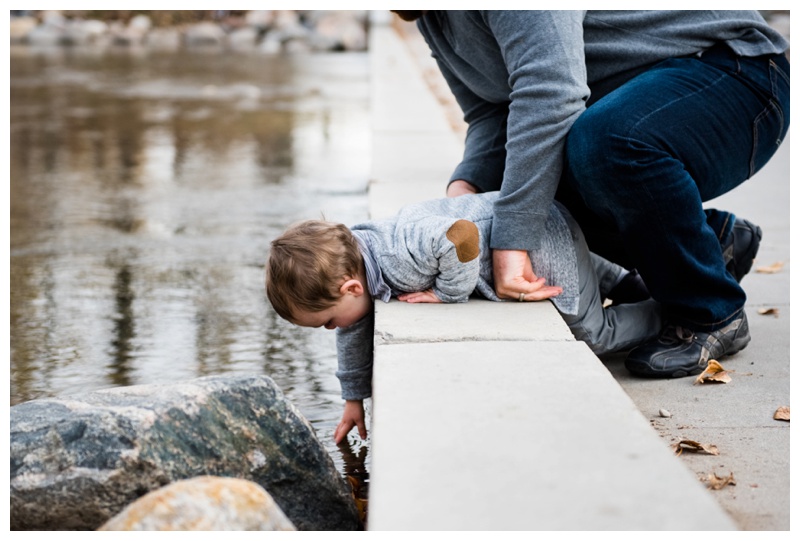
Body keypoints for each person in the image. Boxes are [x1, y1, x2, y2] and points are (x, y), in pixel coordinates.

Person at [391, 10, 789, 378]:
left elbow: (552, 93)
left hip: (737, 74)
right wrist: (464, 193)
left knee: (604, 144)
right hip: (652, 94)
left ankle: (712, 313)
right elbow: (491, 114)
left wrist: (511, 243)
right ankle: (712, 243)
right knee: (526, 179)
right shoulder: (434, 17)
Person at [267, 192, 679, 443]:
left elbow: (462, 237)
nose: (332, 329)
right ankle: (640, 289)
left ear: (351, 289)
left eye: (326, 321)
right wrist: (353, 397)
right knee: (607, 283)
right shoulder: (359, 256)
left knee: (591, 332)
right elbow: (353, 326)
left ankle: (675, 311)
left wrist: (446, 295)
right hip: (535, 227)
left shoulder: (397, 257)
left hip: (539, 239)